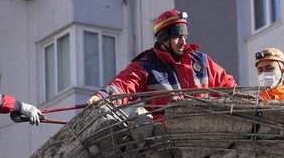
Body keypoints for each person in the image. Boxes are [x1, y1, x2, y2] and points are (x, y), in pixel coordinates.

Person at [87, 9, 236, 116]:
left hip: (204, 136)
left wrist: (241, 101)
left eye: (184, 36)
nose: (183, 41)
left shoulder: (201, 61)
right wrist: (102, 97)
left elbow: (226, 86)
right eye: (177, 36)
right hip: (168, 142)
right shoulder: (146, 66)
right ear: (164, 39)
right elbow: (123, 85)